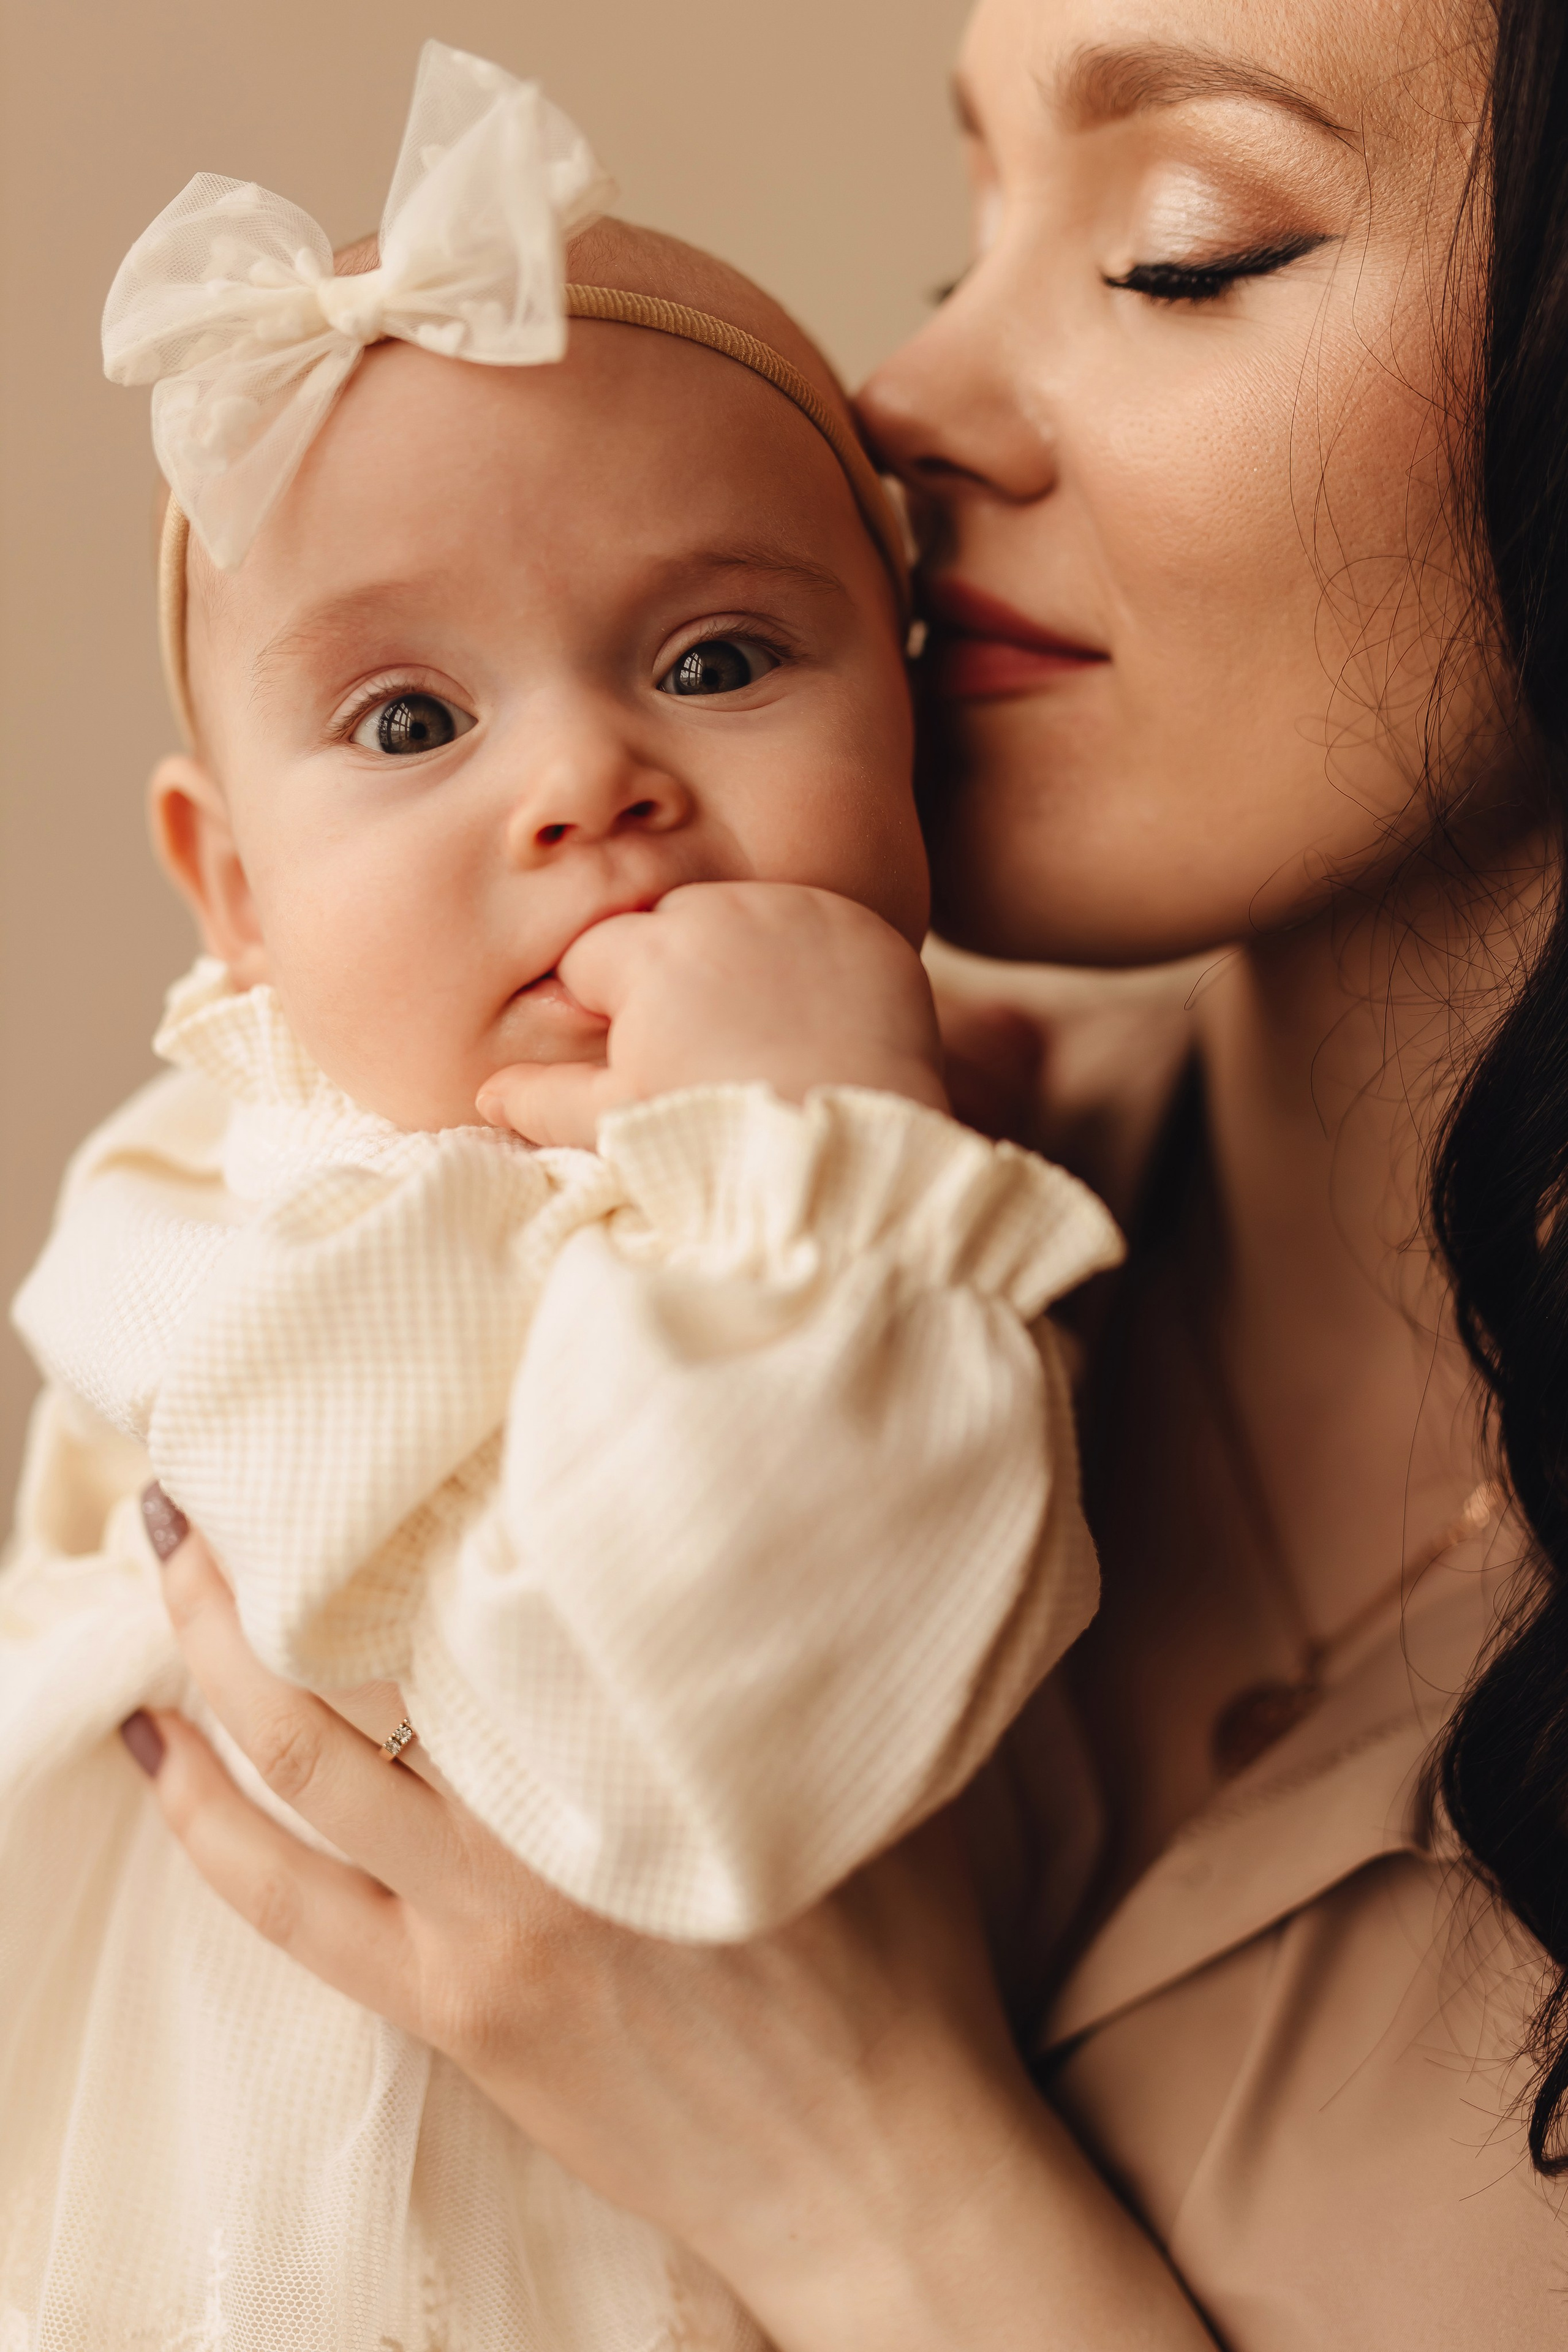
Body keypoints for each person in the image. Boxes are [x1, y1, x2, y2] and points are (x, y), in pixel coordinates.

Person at [28, 0, 1568, 2346]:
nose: (910, 402)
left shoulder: (810, 1240)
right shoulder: (570, 1229)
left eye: (1183, 250)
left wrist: (880, 2186)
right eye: (971, 220)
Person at [0, 39, 1123, 2352]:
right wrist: (799, 1180)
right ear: (233, 889)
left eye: (718, 661)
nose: (592, 781)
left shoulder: (905, 1214)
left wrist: (817, 1155)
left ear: (911, 741)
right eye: (410, 722)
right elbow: (649, 1762)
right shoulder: (276, 1232)